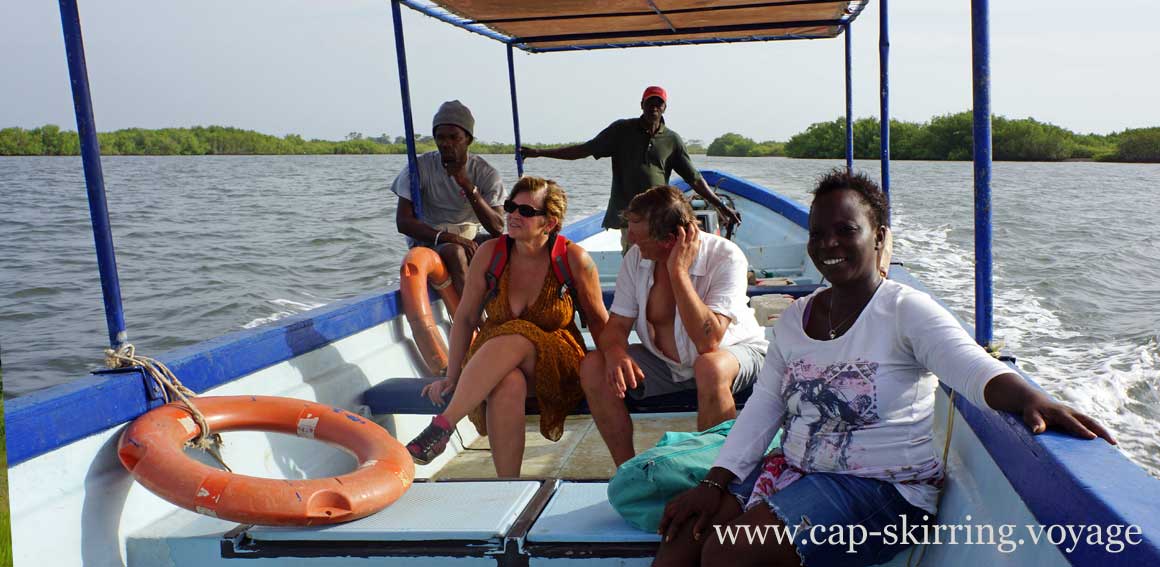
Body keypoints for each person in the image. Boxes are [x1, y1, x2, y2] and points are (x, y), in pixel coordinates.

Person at [652, 169, 1116, 567]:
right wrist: (717, 481)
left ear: (878, 237)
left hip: (886, 493)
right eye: (817, 234)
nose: (828, 243)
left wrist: (1032, 399)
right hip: (797, 468)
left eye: (846, 230)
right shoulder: (795, 319)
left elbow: (972, 368)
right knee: (681, 538)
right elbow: (765, 407)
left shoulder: (905, 311)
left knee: (731, 551)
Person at [404, 176, 609, 477]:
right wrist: (452, 375)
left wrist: (616, 362)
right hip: (494, 360)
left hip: (556, 358)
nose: (513, 215)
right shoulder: (491, 254)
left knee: (516, 334)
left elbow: (598, 319)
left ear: (549, 223)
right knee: (507, 383)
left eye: (526, 211)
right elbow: (465, 318)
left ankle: (443, 425)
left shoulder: (573, 258)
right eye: (511, 206)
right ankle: (508, 484)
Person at [580, 185, 768, 467]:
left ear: (670, 240)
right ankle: (628, 471)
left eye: (638, 235)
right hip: (666, 364)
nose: (630, 238)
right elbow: (617, 324)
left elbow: (709, 342)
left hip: (734, 354)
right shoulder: (636, 257)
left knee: (709, 366)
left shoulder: (726, 256)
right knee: (594, 365)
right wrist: (616, 353)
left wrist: (678, 272)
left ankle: (716, 476)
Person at [521, 86, 741, 251]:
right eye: (650, 102)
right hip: (629, 215)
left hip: (660, 216)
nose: (654, 106)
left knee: (661, 262)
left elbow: (694, 179)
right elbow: (584, 150)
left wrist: (721, 206)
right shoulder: (622, 130)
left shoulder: (672, 140)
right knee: (634, 262)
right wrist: (540, 153)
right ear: (642, 105)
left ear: (664, 107)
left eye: (658, 103)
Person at [392, 100, 506, 294]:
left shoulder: (485, 173)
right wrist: (450, 238)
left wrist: (467, 186)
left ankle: (504, 307)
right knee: (455, 252)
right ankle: (472, 321)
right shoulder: (419, 168)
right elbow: (403, 222)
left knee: (509, 245)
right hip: (432, 239)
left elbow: (497, 227)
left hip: (469, 237)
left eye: (454, 137)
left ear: (468, 139)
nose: (446, 144)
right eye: (440, 137)